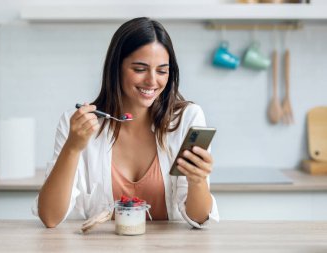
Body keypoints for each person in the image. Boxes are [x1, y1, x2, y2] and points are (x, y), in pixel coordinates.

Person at [33, 17, 219, 228]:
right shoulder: (75, 124)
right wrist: (73, 148)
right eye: (140, 69)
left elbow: (199, 218)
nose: (152, 81)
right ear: (116, 68)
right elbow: (49, 217)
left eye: (162, 70)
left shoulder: (187, 119)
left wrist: (198, 180)